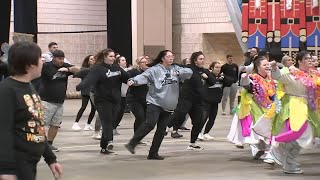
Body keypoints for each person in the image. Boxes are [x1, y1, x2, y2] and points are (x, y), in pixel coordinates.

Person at [0, 41, 63, 180]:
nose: (42, 61)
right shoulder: (7, 91)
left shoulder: (29, 87)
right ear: (29, 64)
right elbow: (3, 131)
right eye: (39, 58)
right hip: (16, 165)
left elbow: (37, 126)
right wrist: (6, 170)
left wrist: (51, 159)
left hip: (30, 162)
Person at [125, 50, 193, 160]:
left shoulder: (176, 69)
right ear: (162, 58)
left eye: (172, 56)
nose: (171, 58)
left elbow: (189, 72)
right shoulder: (155, 70)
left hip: (169, 105)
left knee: (161, 130)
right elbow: (143, 77)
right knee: (150, 123)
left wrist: (179, 73)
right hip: (155, 102)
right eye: (168, 56)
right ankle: (132, 143)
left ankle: (153, 153)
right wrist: (134, 80)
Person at [269, 51, 320, 174]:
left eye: (311, 59)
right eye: (307, 58)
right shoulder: (292, 74)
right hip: (295, 105)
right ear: (300, 61)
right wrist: (275, 68)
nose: (310, 61)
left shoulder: (314, 75)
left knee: (309, 133)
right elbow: (278, 77)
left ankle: (284, 154)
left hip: (309, 106)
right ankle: (288, 160)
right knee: (300, 132)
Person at [76, 48, 129, 154]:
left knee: (112, 121)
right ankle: (109, 140)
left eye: (114, 56)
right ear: (104, 57)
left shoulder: (116, 68)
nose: (113, 58)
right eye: (110, 56)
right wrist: (80, 86)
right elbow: (89, 79)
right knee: (107, 120)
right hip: (102, 100)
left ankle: (104, 147)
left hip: (115, 99)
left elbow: (126, 77)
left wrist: (132, 80)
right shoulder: (98, 68)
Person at [227, 55, 277, 160]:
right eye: (264, 65)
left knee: (267, 130)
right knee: (257, 129)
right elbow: (247, 86)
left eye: (268, 64)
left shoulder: (270, 78)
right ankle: (264, 150)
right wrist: (244, 78)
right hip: (253, 106)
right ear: (258, 67)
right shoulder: (253, 77)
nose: (267, 66)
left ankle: (265, 150)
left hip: (267, 106)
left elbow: (272, 93)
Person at [169, 51, 216, 150]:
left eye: (203, 59)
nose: (202, 61)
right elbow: (176, 66)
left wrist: (206, 78)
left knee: (199, 121)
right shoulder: (189, 69)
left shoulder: (204, 71)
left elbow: (213, 81)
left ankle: (192, 144)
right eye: (200, 59)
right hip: (186, 97)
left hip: (198, 101)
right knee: (180, 112)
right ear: (195, 60)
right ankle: (166, 126)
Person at [40, 50, 80, 152]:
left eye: (62, 58)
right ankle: (40, 144)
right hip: (47, 101)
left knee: (55, 125)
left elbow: (77, 69)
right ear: (53, 58)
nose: (61, 61)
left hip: (60, 102)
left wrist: (67, 69)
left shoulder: (64, 65)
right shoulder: (47, 66)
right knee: (41, 124)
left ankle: (49, 144)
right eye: (59, 59)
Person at [198, 61, 232, 140]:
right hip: (206, 101)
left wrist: (224, 78)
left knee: (212, 118)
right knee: (204, 117)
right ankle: (199, 133)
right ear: (212, 68)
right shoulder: (209, 77)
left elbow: (230, 82)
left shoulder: (221, 77)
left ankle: (206, 133)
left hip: (215, 101)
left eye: (219, 67)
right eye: (216, 67)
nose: (218, 69)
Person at [72, 55, 96, 131]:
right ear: (88, 61)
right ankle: (75, 123)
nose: (93, 60)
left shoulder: (96, 69)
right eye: (91, 59)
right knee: (83, 107)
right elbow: (76, 74)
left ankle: (88, 124)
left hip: (93, 91)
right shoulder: (85, 70)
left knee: (94, 108)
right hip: (85, 91)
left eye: (94, 59)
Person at [126, 56, 149, 134]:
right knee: (140, 116)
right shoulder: (134, 71)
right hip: (133, 98)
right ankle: (136, 136)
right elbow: (126, 77)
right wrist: (130, 81)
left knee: (144, 118)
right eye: (143, 62)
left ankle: (138, 136)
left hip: (145, 98)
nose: (146, 63)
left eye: (147, 62)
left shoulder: (149, 72)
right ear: (139, 63)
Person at [113, 55, 133, 135]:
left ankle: (114, 127)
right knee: (116, 112)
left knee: (121, 113)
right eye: (122, 60)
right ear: (118, 62)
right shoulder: (117, 71)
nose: (125, 62)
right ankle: (111, 128)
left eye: (125, 60)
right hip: (117, 95)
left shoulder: (127, 71)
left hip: (124, 95)